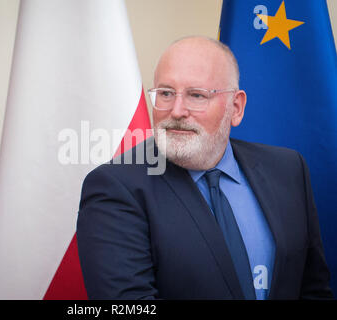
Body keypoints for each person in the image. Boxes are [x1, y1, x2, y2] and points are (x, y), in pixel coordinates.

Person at [76, 36, 333, 299]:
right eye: (165, 93)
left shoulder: (288, 169)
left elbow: (313, 290)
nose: (176, 111)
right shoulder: (115, 188)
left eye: (196, 95)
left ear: (236, 108)